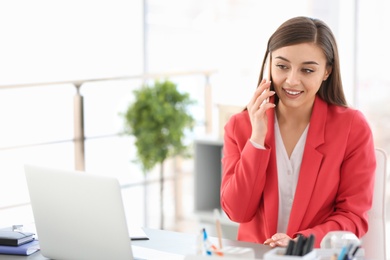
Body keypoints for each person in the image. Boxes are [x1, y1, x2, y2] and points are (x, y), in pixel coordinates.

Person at [220, 16, 376, 248]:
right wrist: (256, 140)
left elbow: (353, 217)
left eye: (307, 70)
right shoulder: (240, 126)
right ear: (269, 63)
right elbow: (237, 212)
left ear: (326, 72)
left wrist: (300, 242)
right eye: (282, 66)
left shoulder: (352, 127)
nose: (292, 80)